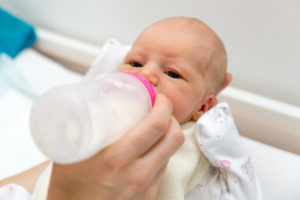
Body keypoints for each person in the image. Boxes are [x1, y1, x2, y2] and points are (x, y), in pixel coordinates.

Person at [0, 16, 262, 200]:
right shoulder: (104, 105)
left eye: (172, 72)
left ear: (202, 106)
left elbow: (237, 184)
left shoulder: (196, 137)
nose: (146, 75)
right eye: (135, 63)